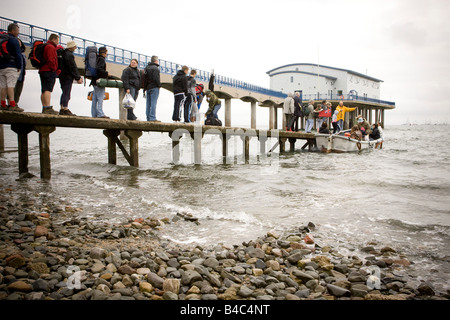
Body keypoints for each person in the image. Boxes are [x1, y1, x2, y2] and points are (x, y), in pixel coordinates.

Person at [0, 23, 24, 112]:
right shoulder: (14, 40)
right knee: (11, 85)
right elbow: (18, 55)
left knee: (3, 86)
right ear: (13, 30)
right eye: (17, 31)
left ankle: (2, 104)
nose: (18, 33)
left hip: (1, 67)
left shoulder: (2, 39)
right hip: (12, 66)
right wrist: (19, 66)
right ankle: (12, 104)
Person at [58, 40, 82, 116]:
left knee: (64, 92)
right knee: (67, 92)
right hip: (67, 76)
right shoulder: (69, 55)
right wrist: (78, 77)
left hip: (61, 75)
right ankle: (66, 108)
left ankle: (62, 108)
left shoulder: (63, 53)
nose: (75, 47)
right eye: (74, 46)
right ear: (71, 47)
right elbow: (72, 67)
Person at [39, 33, 60, 115]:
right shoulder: (51, 47)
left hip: (43, 70)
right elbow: (51, 60)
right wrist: (54, 69)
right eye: (57, 40)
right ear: (54, 39)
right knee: (48, 90)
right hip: (49, 71)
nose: (58, 42)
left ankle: (44, 107)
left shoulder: (45, 46)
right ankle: (48, 107)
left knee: (44, 90)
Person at [90, 47, 109, 118]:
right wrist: (107, 73)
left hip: (94, 81)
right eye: (106, 53)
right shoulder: (101, 59)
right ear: (104, 53)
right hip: (99, 81)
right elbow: (99, 69)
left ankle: (94, 114)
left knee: (94, 98)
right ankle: (100, 114)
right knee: (100, 98)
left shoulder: (96, 59)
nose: (107, 54)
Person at [144, 55, 161, 122]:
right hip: (154, 87)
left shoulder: (147, 68)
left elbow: (145, 79)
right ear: (156, 61)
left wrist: (145, 88)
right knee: (153, 103)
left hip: (148, 87)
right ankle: (152, 118)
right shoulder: (155, 68)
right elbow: (156, 78)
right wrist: (159, 85)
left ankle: (148, 118)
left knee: (148, 103)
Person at [13, 38, 26, 110]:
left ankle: (15, 103)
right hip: (15, 73)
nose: (19, 44)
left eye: (19, 42)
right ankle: (11, 104)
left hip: (21, 75)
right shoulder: (13, 52)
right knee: (13, 89)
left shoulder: (22, 53)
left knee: (18, 90)